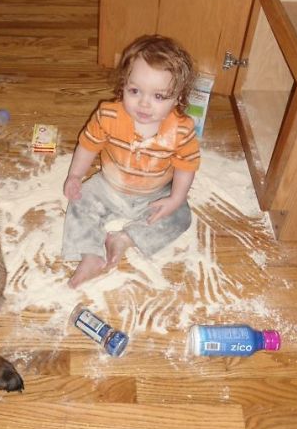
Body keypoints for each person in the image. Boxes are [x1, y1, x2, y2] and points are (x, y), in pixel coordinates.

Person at [62, 34, 200, 288]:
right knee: (79, 203)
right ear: (123, 85)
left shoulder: (181, 129)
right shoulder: (108, 115)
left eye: (159, 96)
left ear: (179, 97)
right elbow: (87, 145)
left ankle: (125, 238)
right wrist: (75, 176)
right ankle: (90, 255)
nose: (144, 104)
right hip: (109, 187)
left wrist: (176, 198)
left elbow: (186, 166)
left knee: (181, 217)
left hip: (154, 194)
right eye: (135, 91)